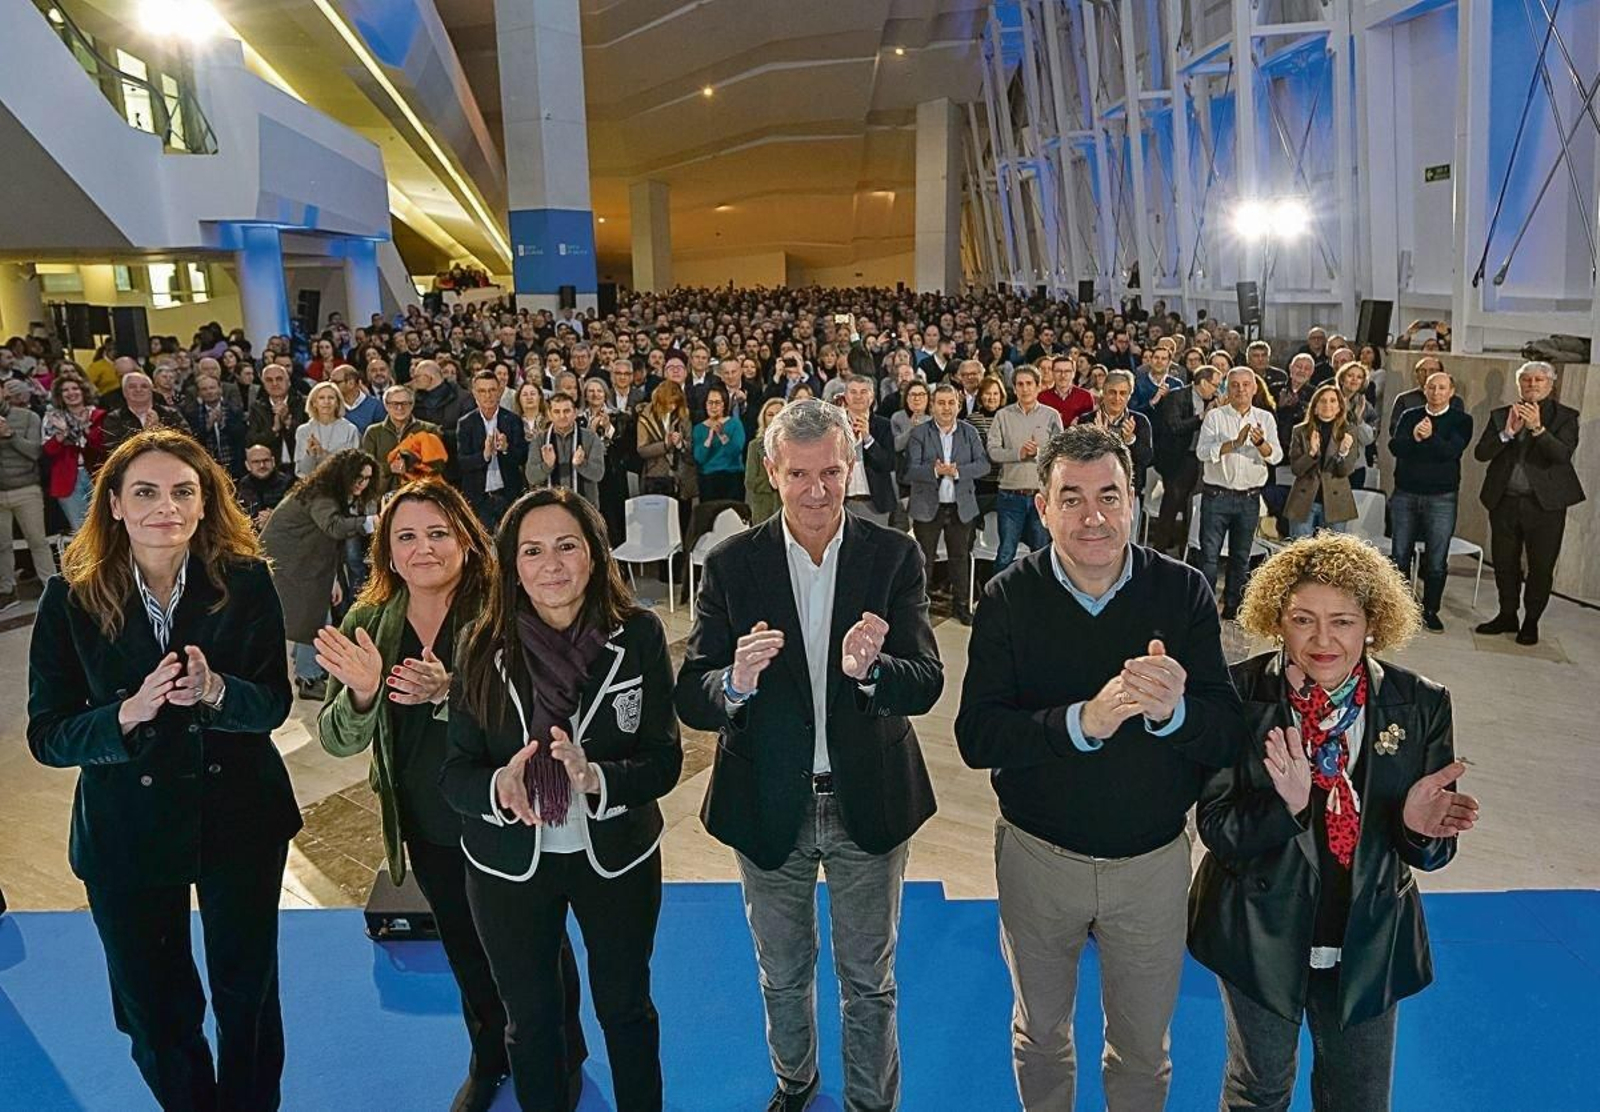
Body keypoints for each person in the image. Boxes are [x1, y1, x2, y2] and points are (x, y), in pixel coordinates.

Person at [954, 423, 1244, 1112]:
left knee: (1144, 1048)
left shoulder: (1183, 592)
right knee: (1042, 1033)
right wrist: (1082, 723)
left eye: (1110, 496)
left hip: (1151, 865)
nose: (1094, 517)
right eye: (1073, 498)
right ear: (1044, 507)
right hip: (1037, 858)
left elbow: (1227, 732)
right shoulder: (1008, 597)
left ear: (1135, 501)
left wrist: (1174, 712)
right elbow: (977, 737)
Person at [674, 398, 943, 1112]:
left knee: (869, 980)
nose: (817, 490)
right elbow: (692, 695)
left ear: (849, 465)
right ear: (771, 470)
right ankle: (795, 1087)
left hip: (870, 799)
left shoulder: (895, 555)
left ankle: (869, 1103)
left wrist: (874, 671)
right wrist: (733, 681)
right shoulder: (732, 564)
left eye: (830, 471)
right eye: (799, 474)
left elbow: (927, 682)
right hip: (767, 800)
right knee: (783, 973)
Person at [26, 428, 300, 1111]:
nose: (165, 507)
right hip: (127, 827)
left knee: (249, 998)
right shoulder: (70, 598)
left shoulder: (246, 581)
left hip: (238, 815)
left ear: (206, 503)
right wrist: (125, 714)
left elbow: (270, 703)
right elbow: (47, 734)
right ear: (113, 503)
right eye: (145, 492)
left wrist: (216, 693)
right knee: (153, 1007)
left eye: (183, 491)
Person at [314, 481, 588, 1112]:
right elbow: (335, 741)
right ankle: (489, 1056)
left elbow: (544, 710)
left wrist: (451, 692)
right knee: (465, 948)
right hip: (427, 819)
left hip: (506, 811)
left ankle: (562, 1053)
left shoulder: (505, 611)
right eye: (406, 536)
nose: (424, 549)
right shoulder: (367, 621)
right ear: (386, 548)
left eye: (438, 533)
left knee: (536, 945)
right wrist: (360, 695)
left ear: (467, 538)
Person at [1188, 533, 1480, 1111]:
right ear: (1278, 620)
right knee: (1259, 1091)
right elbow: (1218, 829)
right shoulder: (1237, 694)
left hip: (1368, 939)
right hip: (1259, 933)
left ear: (1372, 623)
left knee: (1360, 1100)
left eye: (1342, 621)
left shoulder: (1420, 703)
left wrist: (1420, 830)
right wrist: (1288, 806)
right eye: (1303, 619)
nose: (1323, 640)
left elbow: (1431, 854)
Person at [440, 487, 683, 1112]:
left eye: (567, 546)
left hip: (617, 856)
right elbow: (456, 774)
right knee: (531, 1021)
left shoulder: (639, 636)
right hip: (508, 865)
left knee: (627, 1007)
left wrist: (600, 777)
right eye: (533, 550)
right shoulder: (478, 644)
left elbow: (664, 759)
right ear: (512, 565)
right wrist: (499, 787)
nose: (552, 565)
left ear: (596, 555)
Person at [1472, 360, 1585, 645]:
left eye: (1539, 380)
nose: (1532, 385)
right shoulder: (1501, 415)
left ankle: (1531, 621)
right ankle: (1507, 615)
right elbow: (1481, 453)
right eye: (1527, 380)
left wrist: (1538, 429)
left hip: (1545, 506)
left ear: (1551, 385)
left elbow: (1561, 455)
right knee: (1504, 563)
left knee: (1541, 566)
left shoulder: (1565, 417)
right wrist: (1507, 434)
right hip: (1504, 502)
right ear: (1519, 384)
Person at [260, 450, 377, 699]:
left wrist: (333, 579)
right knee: (312, 619)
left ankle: (307, 669)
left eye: (367, 478)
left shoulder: (326, 493)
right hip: (290, 563)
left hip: (300, 562)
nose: (362, 483)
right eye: (358, 477)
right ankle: (308, 677)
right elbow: (334, 527)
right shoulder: (322, 495)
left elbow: (326, 539)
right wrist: (371, 522)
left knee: (314, 616)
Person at [1389, 371, 1473, 632]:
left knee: (1436, 559)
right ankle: (1398, 610)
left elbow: (1450, 452)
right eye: (1431, 387)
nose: (1436, 392)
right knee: (1400, 555)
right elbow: (1396, 448)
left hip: (1441, 498)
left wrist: (1431, 437)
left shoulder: (1462, 420)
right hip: (1405, 493)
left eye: (1441, 388)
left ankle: (1431, 610)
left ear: (1451, 391)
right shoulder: (1409, 416)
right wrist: (1414, 437)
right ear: (1424, 390)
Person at [1197, 368, 1283, 619]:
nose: (1241, 390)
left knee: (1241, 557)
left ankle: (1233, 607)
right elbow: (1202, 453)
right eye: (1234, 385)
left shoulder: (1265, 418)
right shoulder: (1214, 417)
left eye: (1246, 385)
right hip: (1217, 496)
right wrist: (1234, 443)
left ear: (1255, 388)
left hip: (1249, 498)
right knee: (1209, 557)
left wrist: (1259, 444)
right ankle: (1204, 607)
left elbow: (1276, 456)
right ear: (1227, 389)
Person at [907, 383, 989, 624]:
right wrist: (934, 471)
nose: (946, 408)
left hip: (960, 507)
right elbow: (910, 470)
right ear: (932, 406)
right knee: (924, 561)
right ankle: (919, 610)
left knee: (960, 558)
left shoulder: (969, 432)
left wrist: (958, 471)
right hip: (927, 507)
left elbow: (983, 465)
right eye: (941, 403)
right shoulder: (919, 433)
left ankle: (961, 607)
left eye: (951, 402)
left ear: (959, 405)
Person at [987, 366, 1062, 573]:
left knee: (1042, 553)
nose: (1025, 388)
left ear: (1038, 387)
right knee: (1005, 553)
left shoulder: (1051, 416)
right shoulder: (1002, 416)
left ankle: (1040, 602)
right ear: (1014, 388)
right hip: (1010, 495)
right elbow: (992, 451)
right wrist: (1017, 454)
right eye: (1020, 384)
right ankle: (999, 600)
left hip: (1041, 496)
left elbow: (1060, 455)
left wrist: (1038, 453)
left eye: (1029, 384)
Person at [0, 379, 59, 610]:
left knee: (38, 541)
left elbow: (35, 452)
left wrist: (10, 435)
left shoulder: (28, 417)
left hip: (26, 488)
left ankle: (51, 588)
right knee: (1, 545)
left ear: (3, 391)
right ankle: (7, 590)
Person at [1150, 363, 1220, 554]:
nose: (1217, 390)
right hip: (1178, 459)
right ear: (1203, 382)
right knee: (1172, 504)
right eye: (1215, 385)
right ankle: (1159, 550)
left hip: (1202, 460)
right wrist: (1201, 417)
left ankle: (1187, 551)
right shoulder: (1176, 396)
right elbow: (1175, 426)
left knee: (1194, 507)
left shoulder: (1215, 401)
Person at [457, 369, 529, 531]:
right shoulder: (466, 423)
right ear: (474, 393)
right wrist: (484, 455)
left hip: (508, 495)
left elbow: (522, 457)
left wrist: (506, 449)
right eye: (482, 391)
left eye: (492, 390)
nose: (487, 395)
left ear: (499, 392)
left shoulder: (512, 420)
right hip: (478, 497)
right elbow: (462, 463)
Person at [1283, 384, 1359, 538]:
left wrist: (1343, 453)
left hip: (1335, 501)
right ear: (1315, 407)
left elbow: (1345, 470)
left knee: (1332, 557)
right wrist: (1311, 453)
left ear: (1339, 407)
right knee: (1301, 556)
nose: (1328, 405)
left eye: (1332, 401)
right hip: (1304, 500)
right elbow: (1296, 469)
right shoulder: (1300, 431)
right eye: (1323, 401)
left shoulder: (1349, 431)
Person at [1078, 369, 1154, 498]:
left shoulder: (1140, 421)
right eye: (1112, 392)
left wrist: (1130, 439)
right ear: (1104, 393)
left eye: (1123, 393)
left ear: (1129, 395)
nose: (1117, 398)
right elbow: (1080, 458)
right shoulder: (1086, 421)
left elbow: (1146, 459)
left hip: (1127, 491)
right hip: (1093, 490)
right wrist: (1098, 438)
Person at [362, 385, 440, 500]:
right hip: (381, 497)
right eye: (394, 404)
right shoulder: (373, 432)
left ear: (412, 405)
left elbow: (436, 465)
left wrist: (409, 467)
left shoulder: (429, 430)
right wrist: (390, 468)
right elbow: (366, 467)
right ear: (386, 406)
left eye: (405, 403)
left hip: (420, 495)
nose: (400, 408)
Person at [529, 392, 606, 507]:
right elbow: (532, 477)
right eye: (556, 412)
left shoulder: (590, 438)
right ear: (549, 414)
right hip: (549, 509)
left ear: (575, 413)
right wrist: (547, 466)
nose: (562, 416)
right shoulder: (539, 440)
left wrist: (581, 464)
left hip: (585, 508)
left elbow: (598, 474)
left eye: (566, 411)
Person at [841, 377, 897, 525]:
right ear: (846, 396)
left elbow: (888, 463)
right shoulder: (834, 426)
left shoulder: (884, 425)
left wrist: (868, 438)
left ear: (872, 397)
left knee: (877, 548)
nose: (858, 396)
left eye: (863, 392)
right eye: (853, 392)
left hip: (875, 504)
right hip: (842, 503)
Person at [246, 363, 306, 474]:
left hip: (300, 466)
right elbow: (252, 440)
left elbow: (309, 436)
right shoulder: (257, 408)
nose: (274, 384)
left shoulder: (303, 403)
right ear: (263, 385)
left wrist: (288, 423)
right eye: (269, 380)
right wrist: (274, 430)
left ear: (288, 382)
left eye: (279, 379)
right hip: (271, 471)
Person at [692, 384, 747, 503]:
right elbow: (699, 458)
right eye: (710, 402)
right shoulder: (698, 428)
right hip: (708, 481)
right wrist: (710, 438)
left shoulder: (735, 424)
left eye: (717, 402)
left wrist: (722, 435)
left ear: (724, 404)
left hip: (732, 478)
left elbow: (735, 451)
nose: (713, 406)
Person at [294, 381, 362, 478]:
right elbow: (302, 471)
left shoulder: (350, 429)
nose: (326, 402)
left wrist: (323, 455)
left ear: (338, 403)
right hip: (312, 486)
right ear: (314, 403)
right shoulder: (303, 431)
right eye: (321, 398)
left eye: (331, 398)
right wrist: (310, 454)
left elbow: (354, 467)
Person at [745, 396, 786, 524]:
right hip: (763, 507)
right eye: (770, 414)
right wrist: (776, 481)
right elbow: (750, 481)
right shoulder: (755, 446)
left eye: (778, 414)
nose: (774, 418)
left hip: (786, 506)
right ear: (763, 418)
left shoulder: (794, 445)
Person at [236, 442, 291, 530]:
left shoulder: (288, 482)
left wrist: (273, 518)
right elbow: (240, 516)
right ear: (247, 465)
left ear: (273, 461)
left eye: (266, 460)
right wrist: (258, 522)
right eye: (256, 462)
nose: (262, 465)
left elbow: (294, 515)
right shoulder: (242, 485)